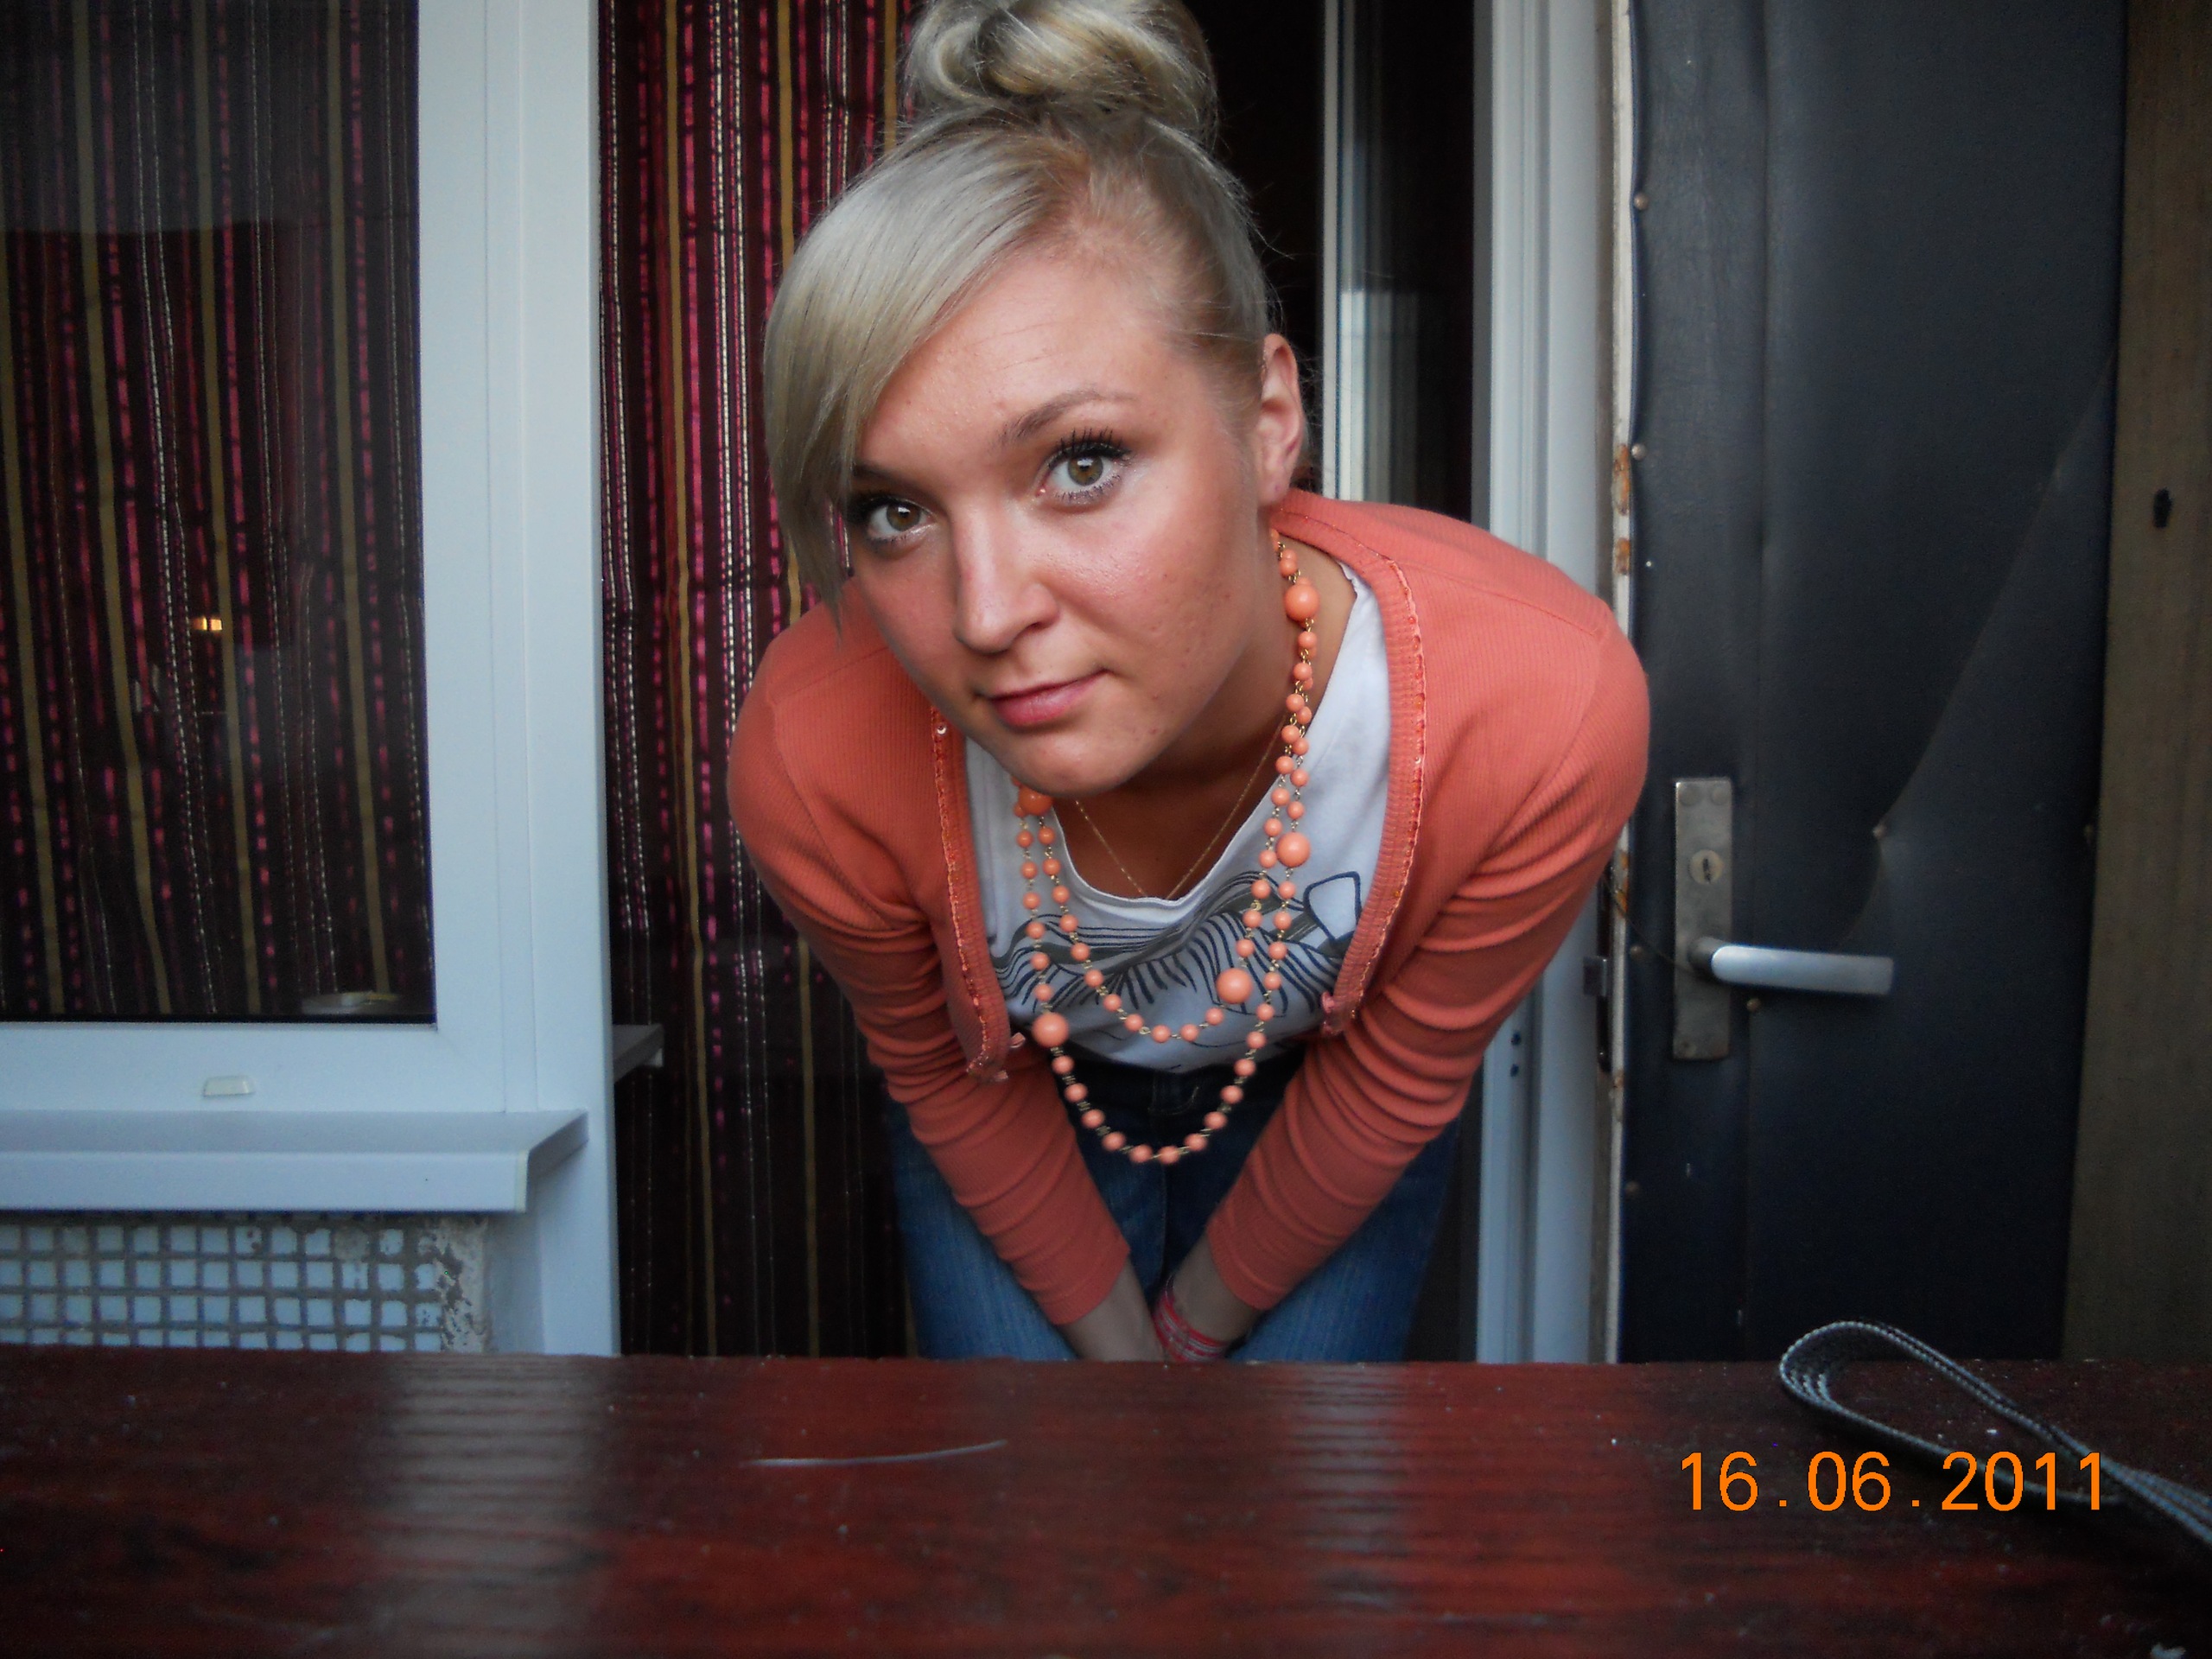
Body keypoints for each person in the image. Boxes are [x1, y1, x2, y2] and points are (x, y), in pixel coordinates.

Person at [728, 0, 1647, 1361]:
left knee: (1293, 1486)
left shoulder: (1538, 711)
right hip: (1014, 1095)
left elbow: (1400, 1074)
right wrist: (1122, 1368)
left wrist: (1193, 1341)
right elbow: (940, 1070)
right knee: (1038, 1487)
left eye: (1081, 462)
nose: (985, 613)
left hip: (1325, 1097)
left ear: (1268, 422)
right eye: (894, 511)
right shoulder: (816, 752)